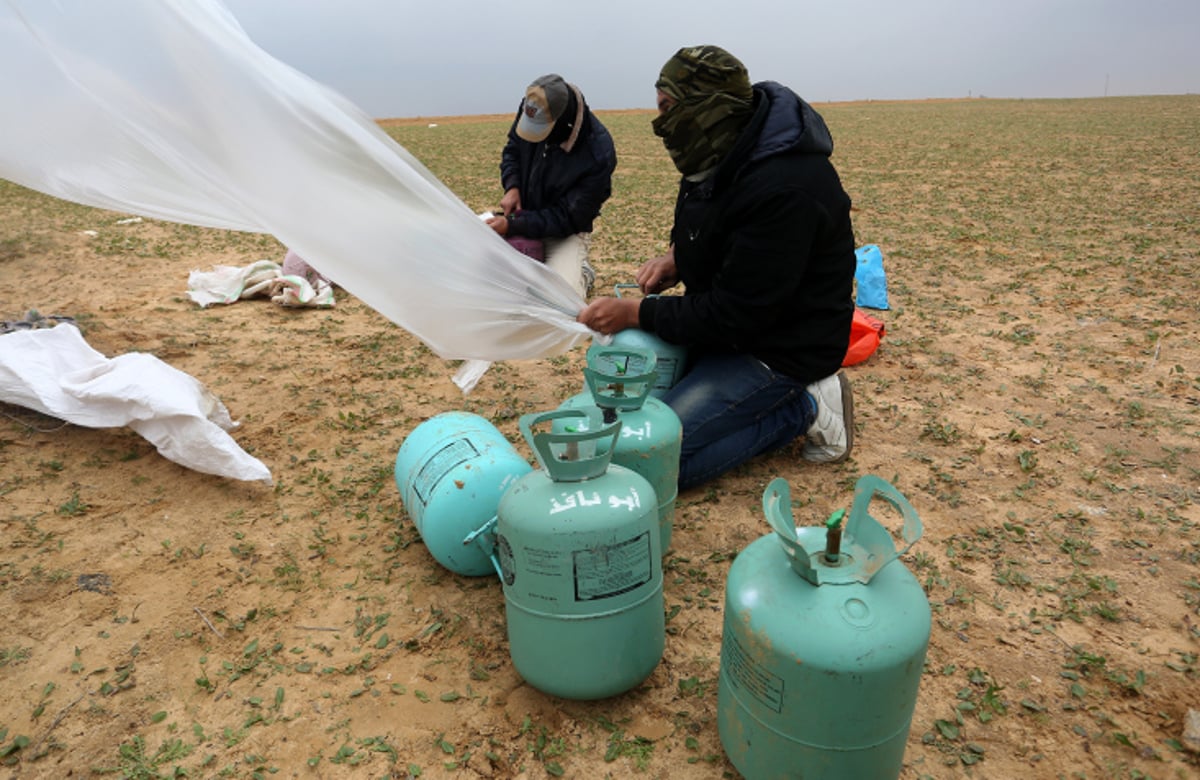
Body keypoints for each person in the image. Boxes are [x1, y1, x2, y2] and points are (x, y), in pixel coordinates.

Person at [577, 45, 857, 490]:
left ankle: (807, 407)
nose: (660, 125)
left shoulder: (785, 187)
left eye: (669, 109)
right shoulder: (716, 151)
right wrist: (678, 259)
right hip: (730, 330)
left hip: (779, 348)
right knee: (627, 424)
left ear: (707, 109)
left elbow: (737, 313)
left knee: (654, 464)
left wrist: (636, 313)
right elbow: (712, 228)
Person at [485, 74, 617, 298]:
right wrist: (513, 186)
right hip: (523, 215)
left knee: (561, 300)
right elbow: (513, 149)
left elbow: (568, 218)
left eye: (542, 132)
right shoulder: (533, 107)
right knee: (487, 280)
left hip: (564, 232)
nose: (535, 138)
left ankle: (583, 274)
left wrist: (512, 225)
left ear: (562, 123)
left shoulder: (598, 154)